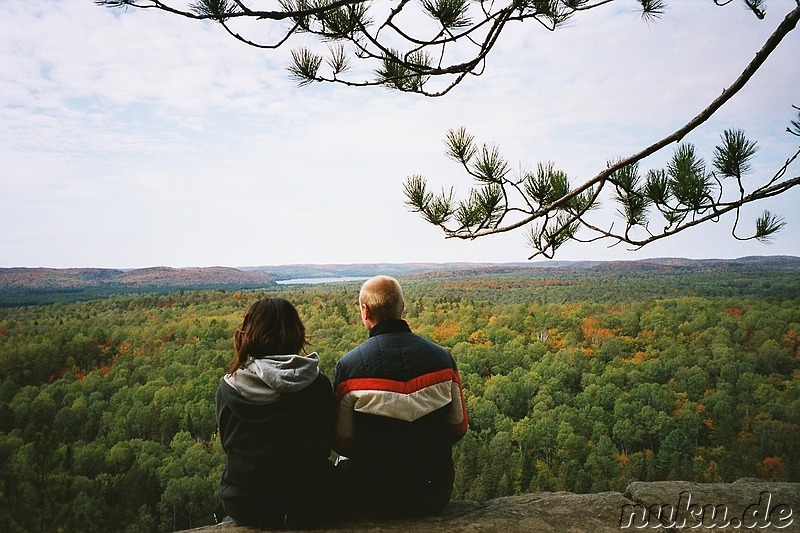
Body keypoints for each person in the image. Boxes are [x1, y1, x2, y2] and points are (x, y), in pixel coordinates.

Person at [333, 275, 469, 518]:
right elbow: (458, 427)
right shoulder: (443, 360)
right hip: (433, 494)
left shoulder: (349, 367)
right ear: (402, 307)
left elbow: (343, 441)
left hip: (370, 496)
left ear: (365, 311)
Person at [216, 296, 335, 529]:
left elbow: (228, 446)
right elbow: (326, 442)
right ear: (297, 332)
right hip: (310, 502)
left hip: (247, 506)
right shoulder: (318, 385)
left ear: (248, 333)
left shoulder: (229, 389)